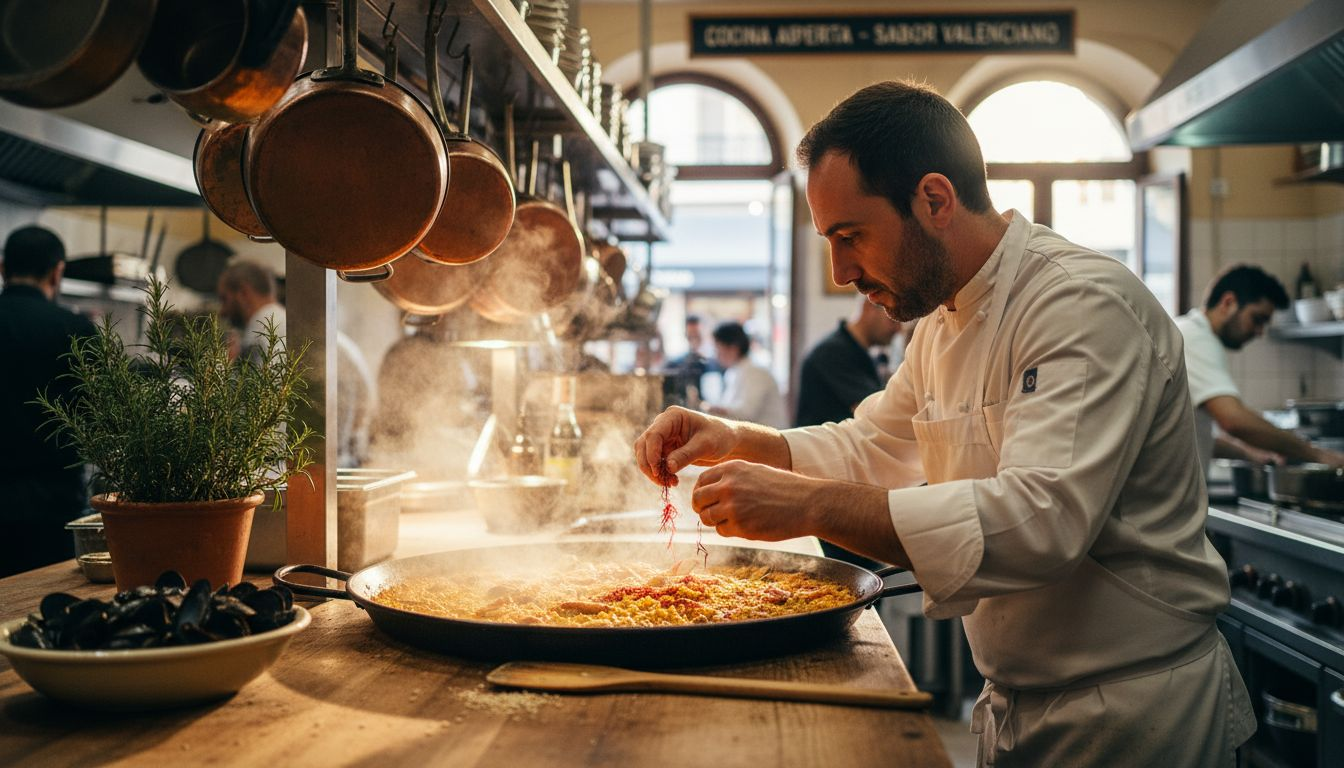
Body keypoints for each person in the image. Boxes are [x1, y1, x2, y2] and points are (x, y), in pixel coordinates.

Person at [634, 80, 1252, 767]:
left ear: (934, 199)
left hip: (1133, 718)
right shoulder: (941, 320)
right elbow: (877, 445)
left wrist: (805, 504)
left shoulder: (1079, 305)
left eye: (851, 236)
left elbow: (1041, 521)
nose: (842, 273)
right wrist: (739, 438)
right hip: (1021, 701)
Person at [1175, 264, 1344, 475]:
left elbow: (1193, 438)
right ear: (1228, 303)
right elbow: (1234, 420)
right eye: (1257, 318)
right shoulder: (1196, 338)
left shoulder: (1185, 331)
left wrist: (1250, 454)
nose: (1260, 332)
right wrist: (1317, 455)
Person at [0, 225, 98, 577]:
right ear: (57, 271)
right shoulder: (75, 330)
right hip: (55, 503)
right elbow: (101, 413)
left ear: (2, 267)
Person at [795, 294, 900, 427]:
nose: (898, 330)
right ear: (869, 307)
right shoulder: (832, 353)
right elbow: (880, 412)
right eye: (893, 321)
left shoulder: (861, 353)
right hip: (820, 446)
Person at [703, 321, 788, 429]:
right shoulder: (733, 372)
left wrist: (712, 408)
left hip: (768, 439)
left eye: (717, 349)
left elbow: (747, 412)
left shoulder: (756, 372)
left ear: (733, 348)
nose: (716, 355)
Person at [217, 260, 285, 364]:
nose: (222, 311)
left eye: (225, 299)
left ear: (244, 293)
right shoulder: (277, 321)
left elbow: (271, 379)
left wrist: (227, 365)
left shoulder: (267, 330)